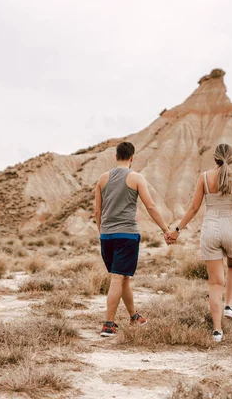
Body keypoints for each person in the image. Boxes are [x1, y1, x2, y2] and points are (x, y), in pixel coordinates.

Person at [167, 143, 232, 342]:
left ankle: (217, 331)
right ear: (231, 159)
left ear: (214, 158)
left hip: (210, 231)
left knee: (215, 284)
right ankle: (230, 305)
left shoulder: (204, 178)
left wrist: (177, 230)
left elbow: (193, 208)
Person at [94, 141, 172, 337]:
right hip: (126, 235)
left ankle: (133, 316)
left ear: (115, 156)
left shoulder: (102, 179)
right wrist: (165, 229)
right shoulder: (136, 178)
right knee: (118, 278)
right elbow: (151, 206)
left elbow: (97, 210)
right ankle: (108, 324)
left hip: (107, 236)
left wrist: (101, 232)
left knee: (124, 278)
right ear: (132, 158)